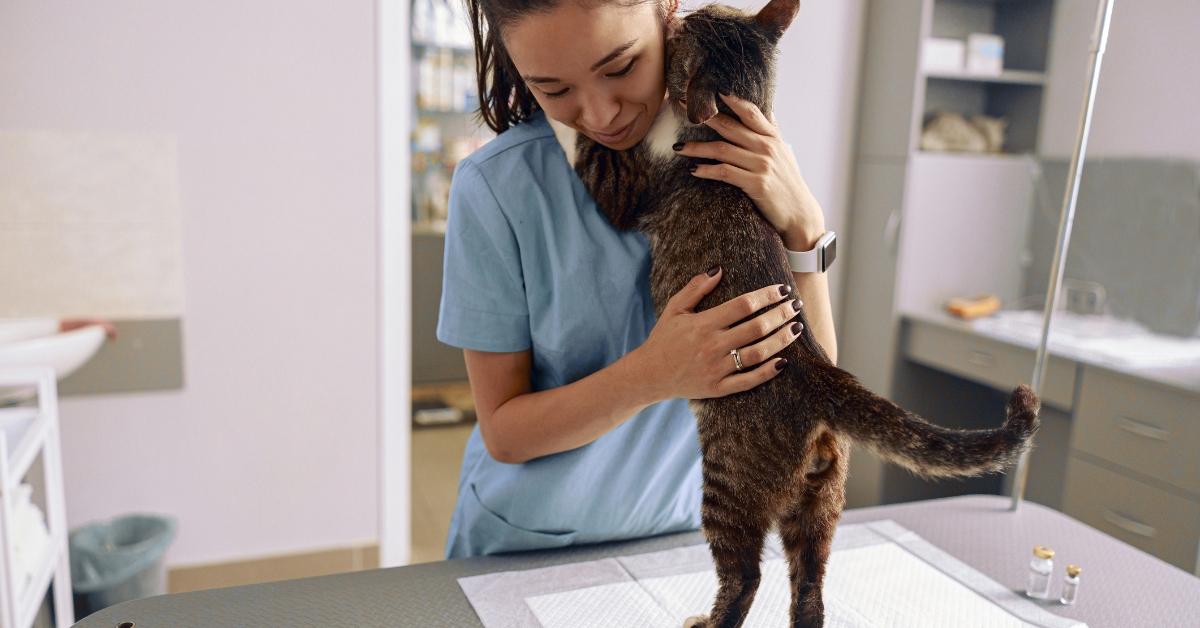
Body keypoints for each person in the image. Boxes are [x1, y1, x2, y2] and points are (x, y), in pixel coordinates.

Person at [435, 0, 837, 558]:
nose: (601, 114)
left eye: (620, 68)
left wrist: (805, 229)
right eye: (554, 89)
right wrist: (655, 374)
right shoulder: (497, 187)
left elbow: (811, 389)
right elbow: (504, 433)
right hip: (527, 544)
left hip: (682, 541)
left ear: (666, 8)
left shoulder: (742, 154)